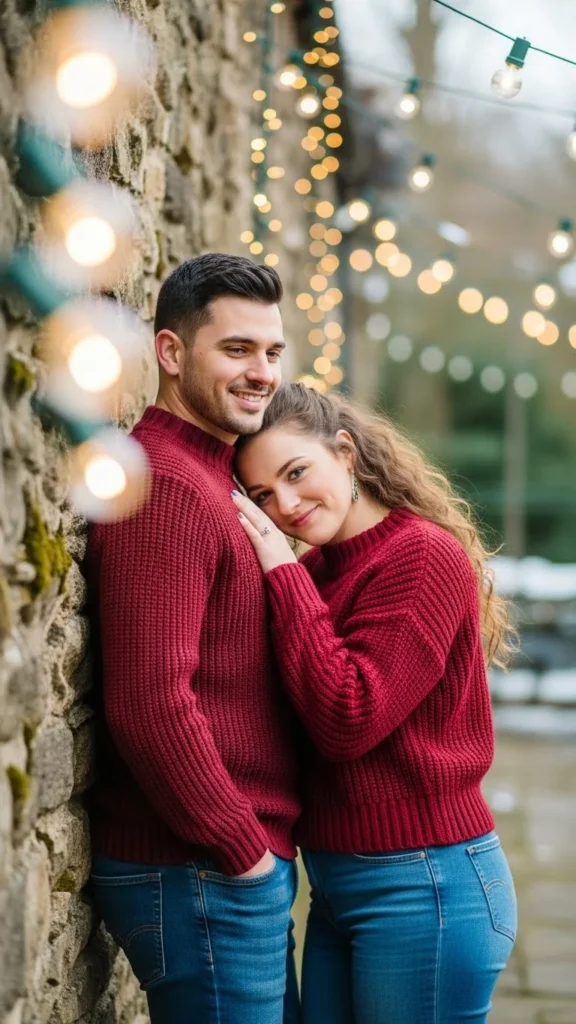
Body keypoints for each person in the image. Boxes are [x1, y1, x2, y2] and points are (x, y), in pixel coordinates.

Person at [232, 381, 518, 1024]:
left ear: (346, 451)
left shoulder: (420, 556)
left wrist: (278, 568)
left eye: (296, 472)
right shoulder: (315, 573)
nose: (287, 504)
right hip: (337, 883)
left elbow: (347, 717)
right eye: (262, 496)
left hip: (427, 885)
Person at [86, 254, 301, 1024]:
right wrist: (241, 850)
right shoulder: (171, 487)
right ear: (171, 353)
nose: (261, 373)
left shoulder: (212, 475)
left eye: (272, 352)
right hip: (200, 871)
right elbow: (149, 703)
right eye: (237, 350)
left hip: (222, 869)